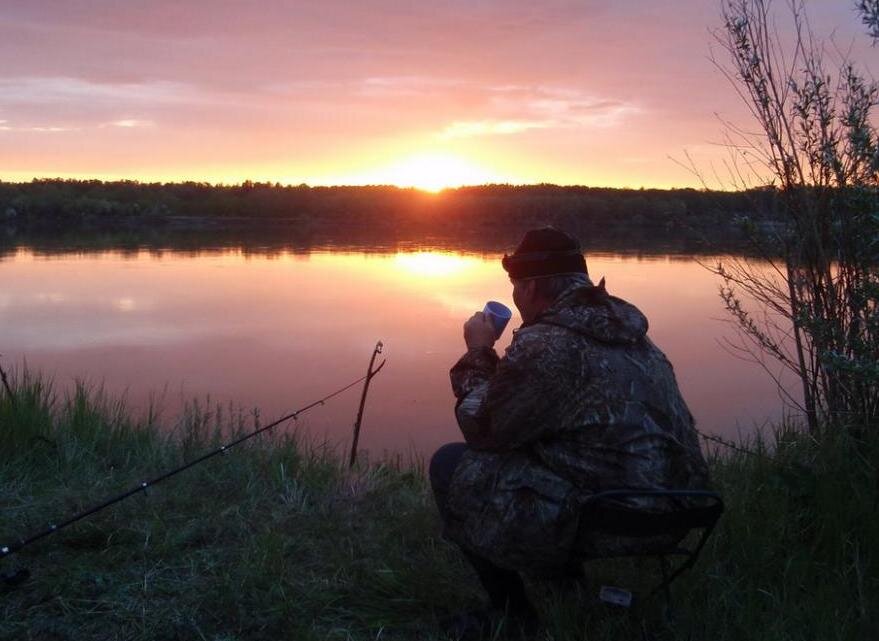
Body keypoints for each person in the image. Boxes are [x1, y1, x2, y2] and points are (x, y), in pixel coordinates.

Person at [429, 227, 709, 636]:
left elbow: (483, 429)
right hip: (684, 509)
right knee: (542, 450)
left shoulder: (548, 345)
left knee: (451, 464)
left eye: (516, 286)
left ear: (532, 287)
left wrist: (478, 352)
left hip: (615, 519)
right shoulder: (632, 334)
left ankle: (514, 616)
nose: (515, 297)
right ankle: (566, 584)